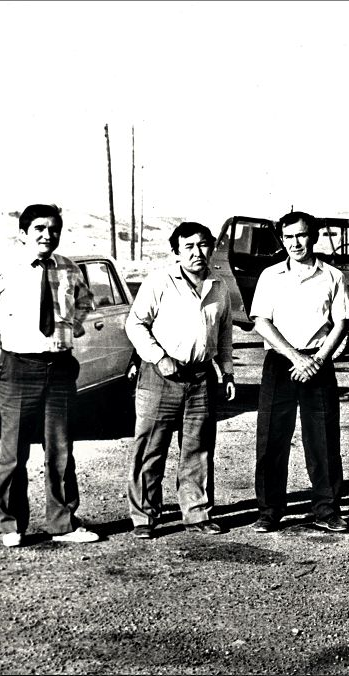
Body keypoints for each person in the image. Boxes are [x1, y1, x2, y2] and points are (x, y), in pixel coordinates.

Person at [0, 203, 99, 547]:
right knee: (14, 452)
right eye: (39, 228)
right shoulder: (3, 267)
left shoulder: (68, 268)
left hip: (60, 368)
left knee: (60, 450)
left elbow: (85, 302)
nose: (47, 235)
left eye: (54, 229)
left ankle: (63, 523)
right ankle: (11, 526)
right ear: (23, 233)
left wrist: (73, 326)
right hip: (19, 367)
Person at [125, 222, 236, 539]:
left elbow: (224, 333)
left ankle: (197, 513)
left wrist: (227, 371)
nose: (196, 252)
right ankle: (144, 516)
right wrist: (159, 357)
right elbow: (135, 324)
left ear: (211, 248)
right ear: (176, 252)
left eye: (203, 245)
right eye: (188, 246)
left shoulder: (219, 286)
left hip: (201, 377)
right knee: (150, 447)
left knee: (197, 449)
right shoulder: (159, 281)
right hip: (160, 376)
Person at [249, 211, 349, 533]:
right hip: (281, 362)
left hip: (319, 362)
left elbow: (341, 323)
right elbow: (261, 321)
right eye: (288, 237)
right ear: (282, 239)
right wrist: (295, 357)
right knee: (272, 438)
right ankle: (269, 511)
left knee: (323, 439)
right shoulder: (270, 276)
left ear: (314, 237)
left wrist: (317, 360)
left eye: (301, 235)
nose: (295, 243)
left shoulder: (333, 276)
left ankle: (327, 509)